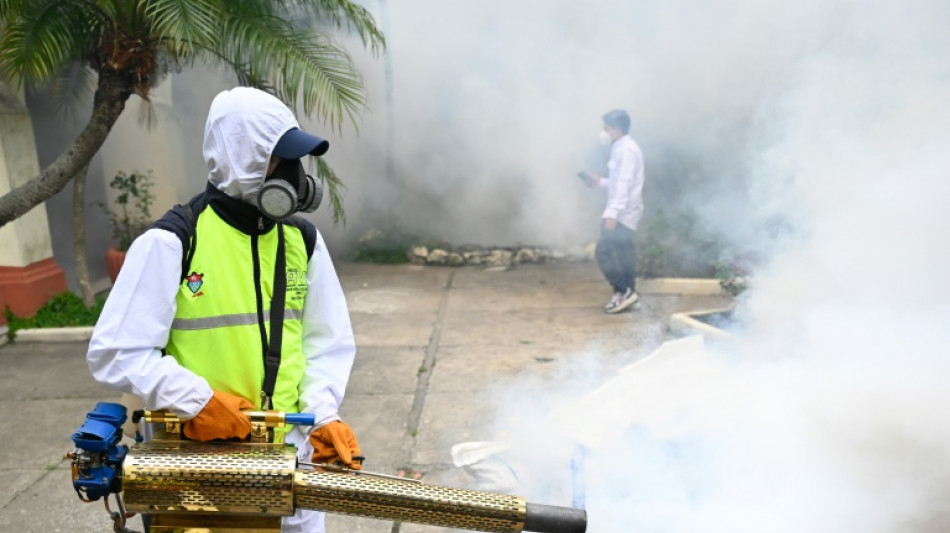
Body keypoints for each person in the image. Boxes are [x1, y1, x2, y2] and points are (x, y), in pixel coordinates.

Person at [87, 87, 360, 533]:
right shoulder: (174, 241)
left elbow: (326, 344)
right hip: (206, 463)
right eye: (279, 159)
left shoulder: (302, 242)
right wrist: (196, 402)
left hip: (294, 460)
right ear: (241, 158)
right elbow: (116, 351)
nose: (292, 174)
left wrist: (323, 416)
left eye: (294, 161)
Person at [583, 109, 645, 314]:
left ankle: (622, 291)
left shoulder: (626, 150)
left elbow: (624, 184)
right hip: (626, 211)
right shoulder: (622, 148)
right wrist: (600, 182)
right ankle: (629, 294)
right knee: (624, 253)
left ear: (617, 130)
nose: (603, 132)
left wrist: (613, 214)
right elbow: (619, 181)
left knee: (603, 252)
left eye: (606, 128)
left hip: (622, 213)